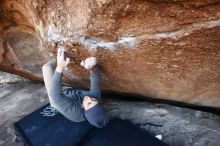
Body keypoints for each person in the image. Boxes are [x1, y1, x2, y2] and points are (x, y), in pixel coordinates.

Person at [42, 48, 109, 128]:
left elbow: (55, 95)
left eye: (88, 103)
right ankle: (59, 58)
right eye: (93, 100)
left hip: (56, 98)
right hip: (70, 91)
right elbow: (95, 75)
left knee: (47, 68)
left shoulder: (75, 114)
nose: (89, 98)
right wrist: (92, 66)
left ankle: (56, 57)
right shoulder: (95, 98)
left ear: (84, 110)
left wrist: (60, 67)